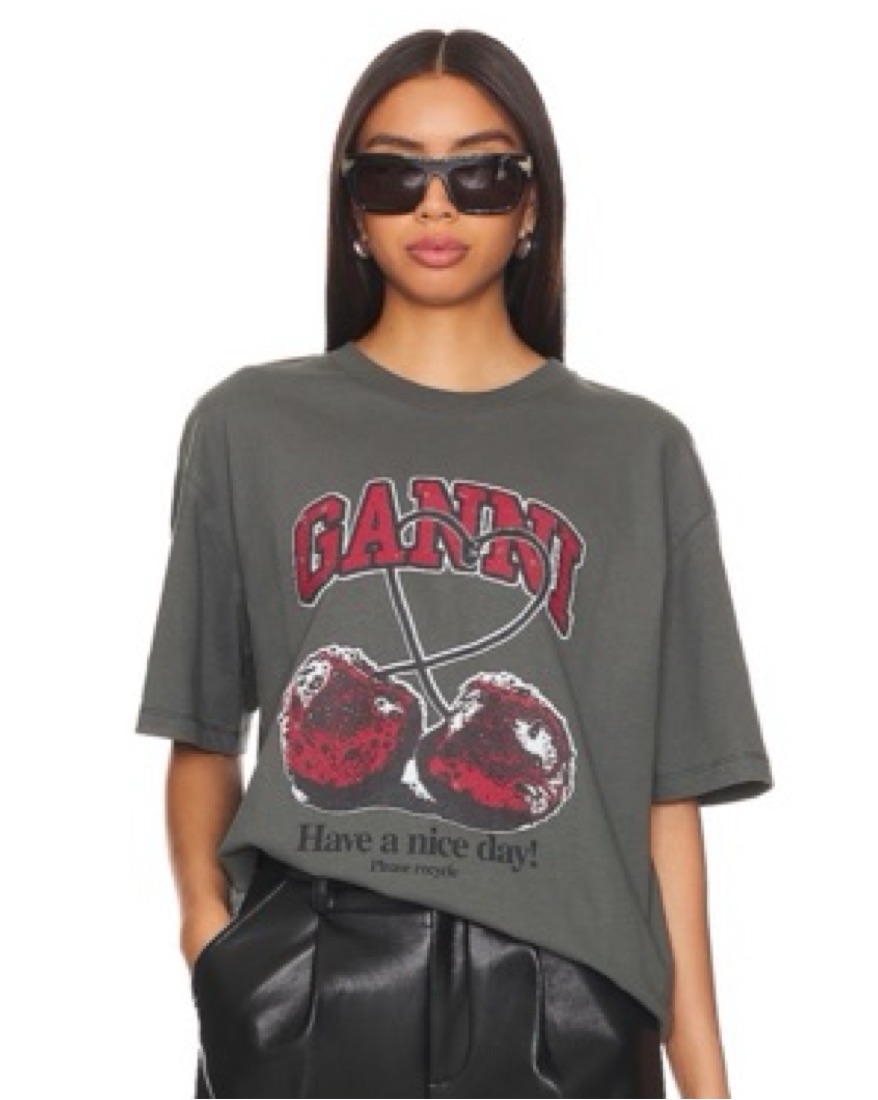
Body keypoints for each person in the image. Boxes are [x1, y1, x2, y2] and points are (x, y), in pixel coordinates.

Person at [134, 27, 774, 1100]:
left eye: (481, 174)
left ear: (532, 208)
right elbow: (200, 724)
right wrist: (213, 942)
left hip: (572, 990)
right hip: (309, 976)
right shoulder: (248, 423)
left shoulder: (639, 452)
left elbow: (662, 791)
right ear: (352, 211)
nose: (437, 207)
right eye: (394, 175)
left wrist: (703, 1071)